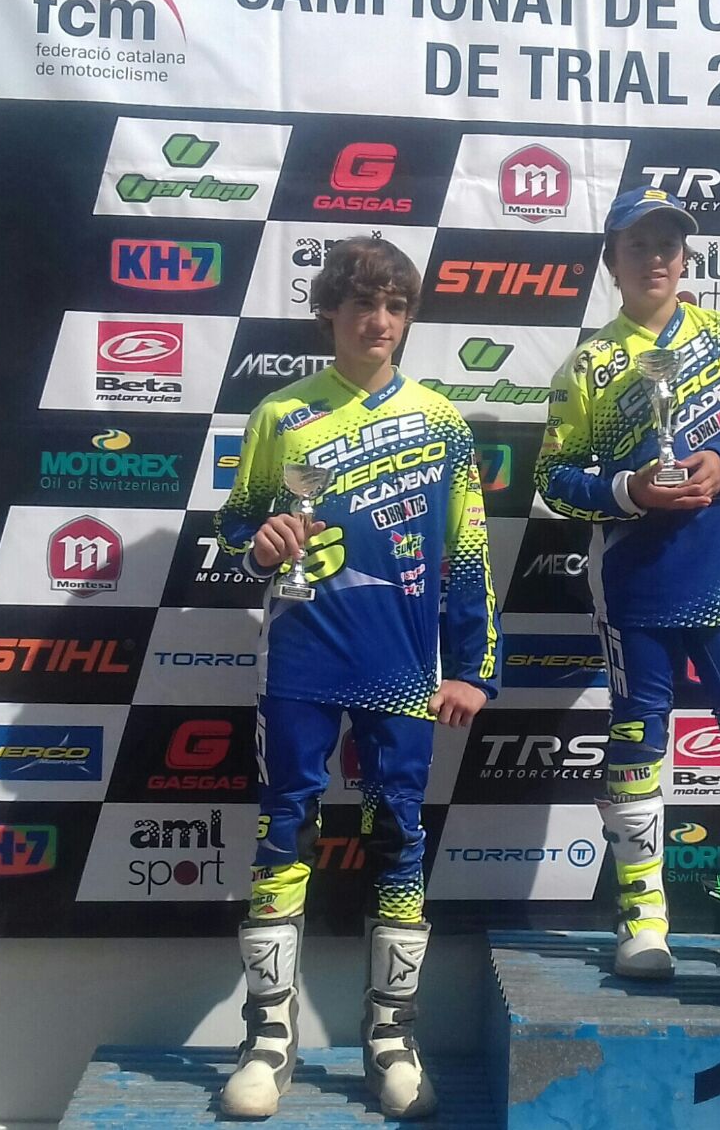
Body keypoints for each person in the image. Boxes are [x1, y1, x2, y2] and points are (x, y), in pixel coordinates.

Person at [213, 237, 500, 1119]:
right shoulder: (281, 415)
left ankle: (392, 1040)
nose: (380, 322)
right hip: (300, 658)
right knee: (283, 830)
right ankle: (268, 1039)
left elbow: (468, 551)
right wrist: (260, 542)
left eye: (396, 306)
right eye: (363, 304)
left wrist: (474, 669)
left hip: (403, 665)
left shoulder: (441, 420)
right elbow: (237, 525)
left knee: (399, 835)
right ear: (328, 312)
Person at [535, 185, 720, 979]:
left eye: (667, 245)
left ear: (686, 259)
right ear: (611, 261)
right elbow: (553, 478)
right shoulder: (590, 362)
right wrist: (630, 491)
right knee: (637, 736)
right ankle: (642, 920)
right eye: (638, 245)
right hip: (636, 582)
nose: (654, 257)